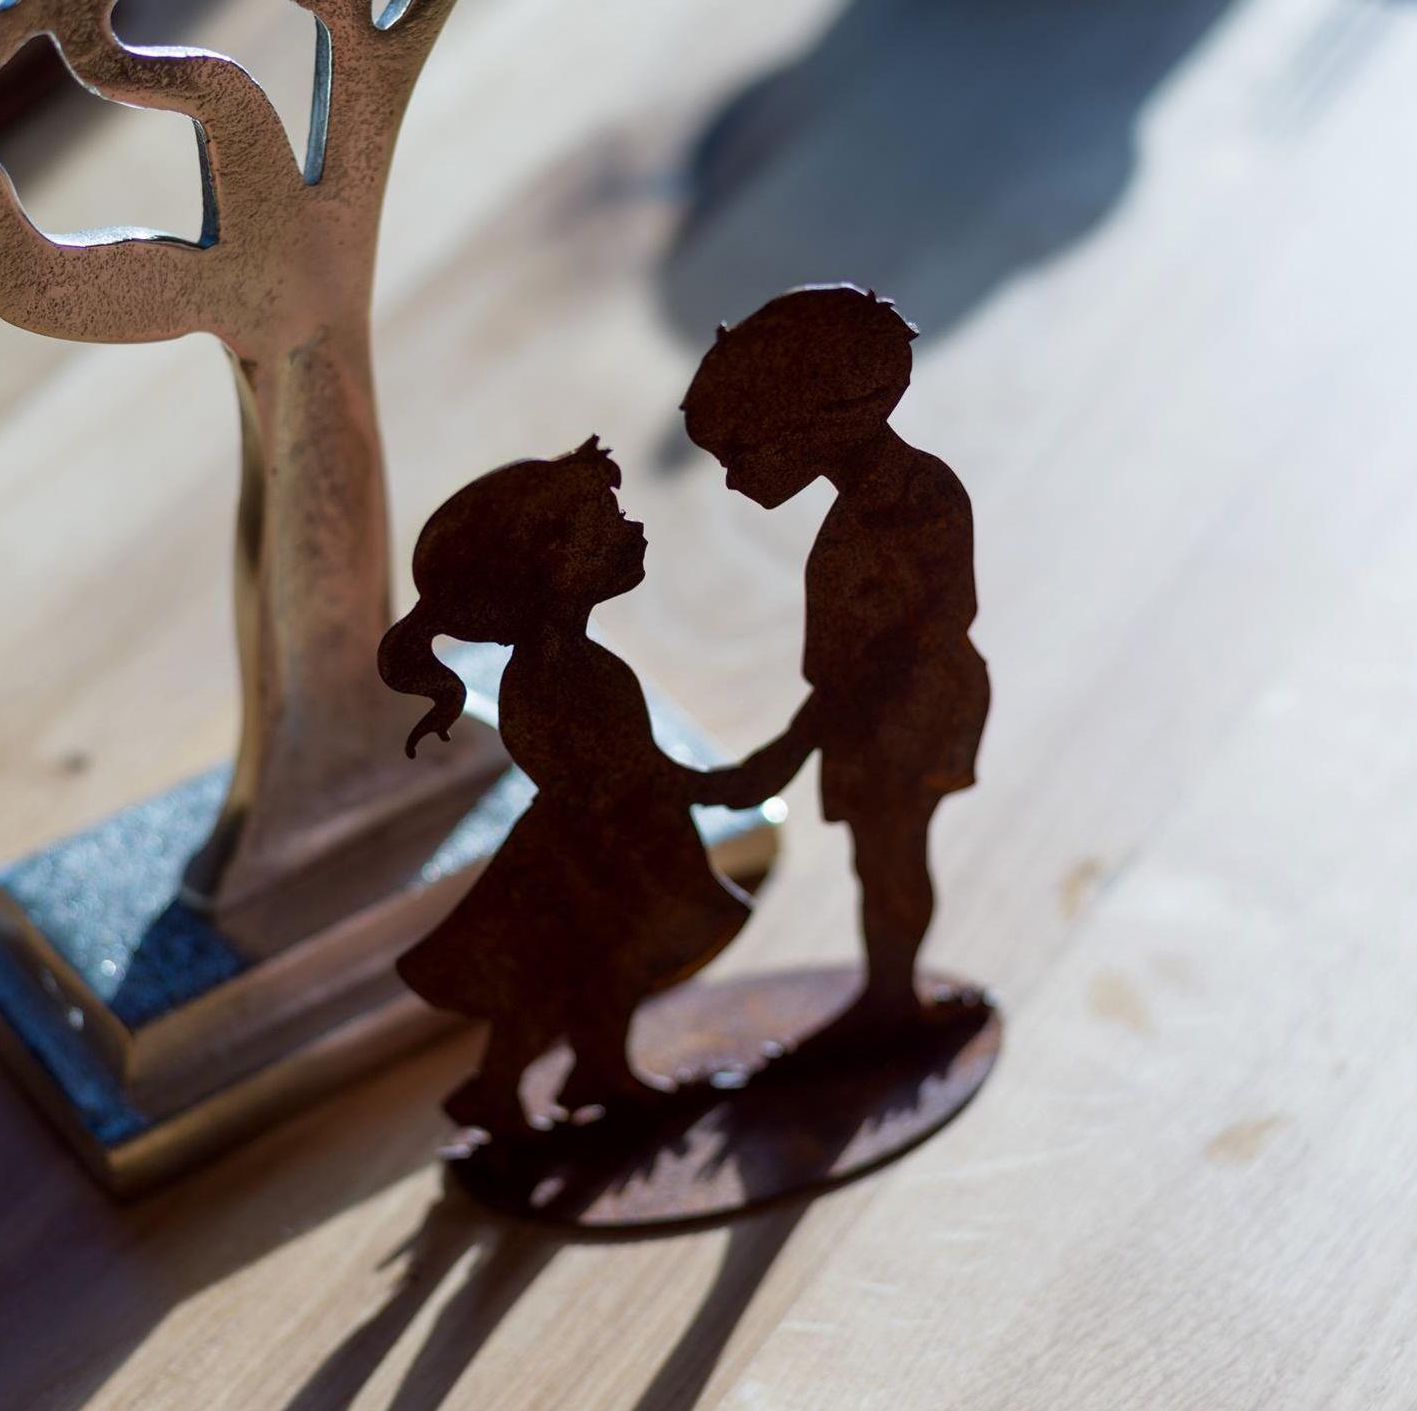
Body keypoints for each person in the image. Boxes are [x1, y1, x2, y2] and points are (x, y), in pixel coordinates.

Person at [379, 438, 771, 1136]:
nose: (632, 527)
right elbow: (620, 773)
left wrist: (703, 786)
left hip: (611, 845)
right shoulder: (555, 677)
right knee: (567, 980)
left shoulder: (576, 665)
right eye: (607, 519)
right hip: (589, 859)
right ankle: (501, 1090)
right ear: (550, 562)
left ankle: (592, 1071)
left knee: (601, 973)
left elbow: (630, 766)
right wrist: (717, 785)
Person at [681, 285, 991, 1023]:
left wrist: (789, 750)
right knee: (880, 858)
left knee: (891, 857)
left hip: (910, 714)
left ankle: (892, 1003)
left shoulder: (908, 500)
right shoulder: (865, 508)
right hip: (867, 718)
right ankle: (888, 995)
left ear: (812, 416)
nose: (734, 477)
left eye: (740, 453)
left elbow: (904, 645)